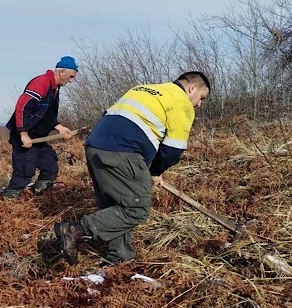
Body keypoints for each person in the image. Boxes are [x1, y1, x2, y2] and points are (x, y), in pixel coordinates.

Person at [55, 72, 210, 266]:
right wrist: (155, 172)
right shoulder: (181, 102)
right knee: (135, 209)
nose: (199, 104)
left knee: (116, 206)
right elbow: (173, 150)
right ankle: (75, 230)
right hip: (123, 151)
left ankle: (120, 257)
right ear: (192, 88)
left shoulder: (143, 89)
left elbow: (108, 115)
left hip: (95, 146)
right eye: (201, 98)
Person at [0, 56, 78, 199]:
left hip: (38, 137)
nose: (71, 80)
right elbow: (22, 107)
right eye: (71, 76)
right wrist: (23, 134)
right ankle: (8, 201)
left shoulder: (55, 89)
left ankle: (39, 197)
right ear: (61, 72)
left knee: (50, 166)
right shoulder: (41, 83)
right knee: (25, 170)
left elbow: (47, 114)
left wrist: (59, 127)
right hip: (24, 136)